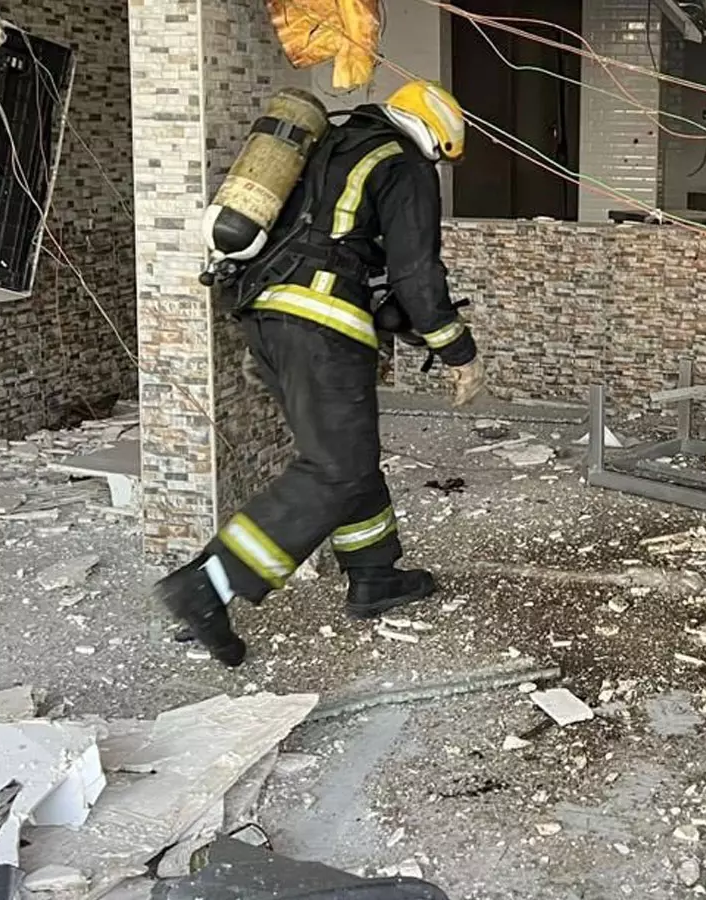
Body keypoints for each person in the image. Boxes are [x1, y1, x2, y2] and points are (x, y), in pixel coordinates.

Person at [154, 80, 484, 667]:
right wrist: (459, 352)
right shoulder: (404, 162)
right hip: (322, 325)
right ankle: (210, 584)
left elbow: (332, 243)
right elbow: (416, 274)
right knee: (336, 468)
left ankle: (375, 575)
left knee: (347, 455)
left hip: (269, 317)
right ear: (438, 138)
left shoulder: (333, 144)